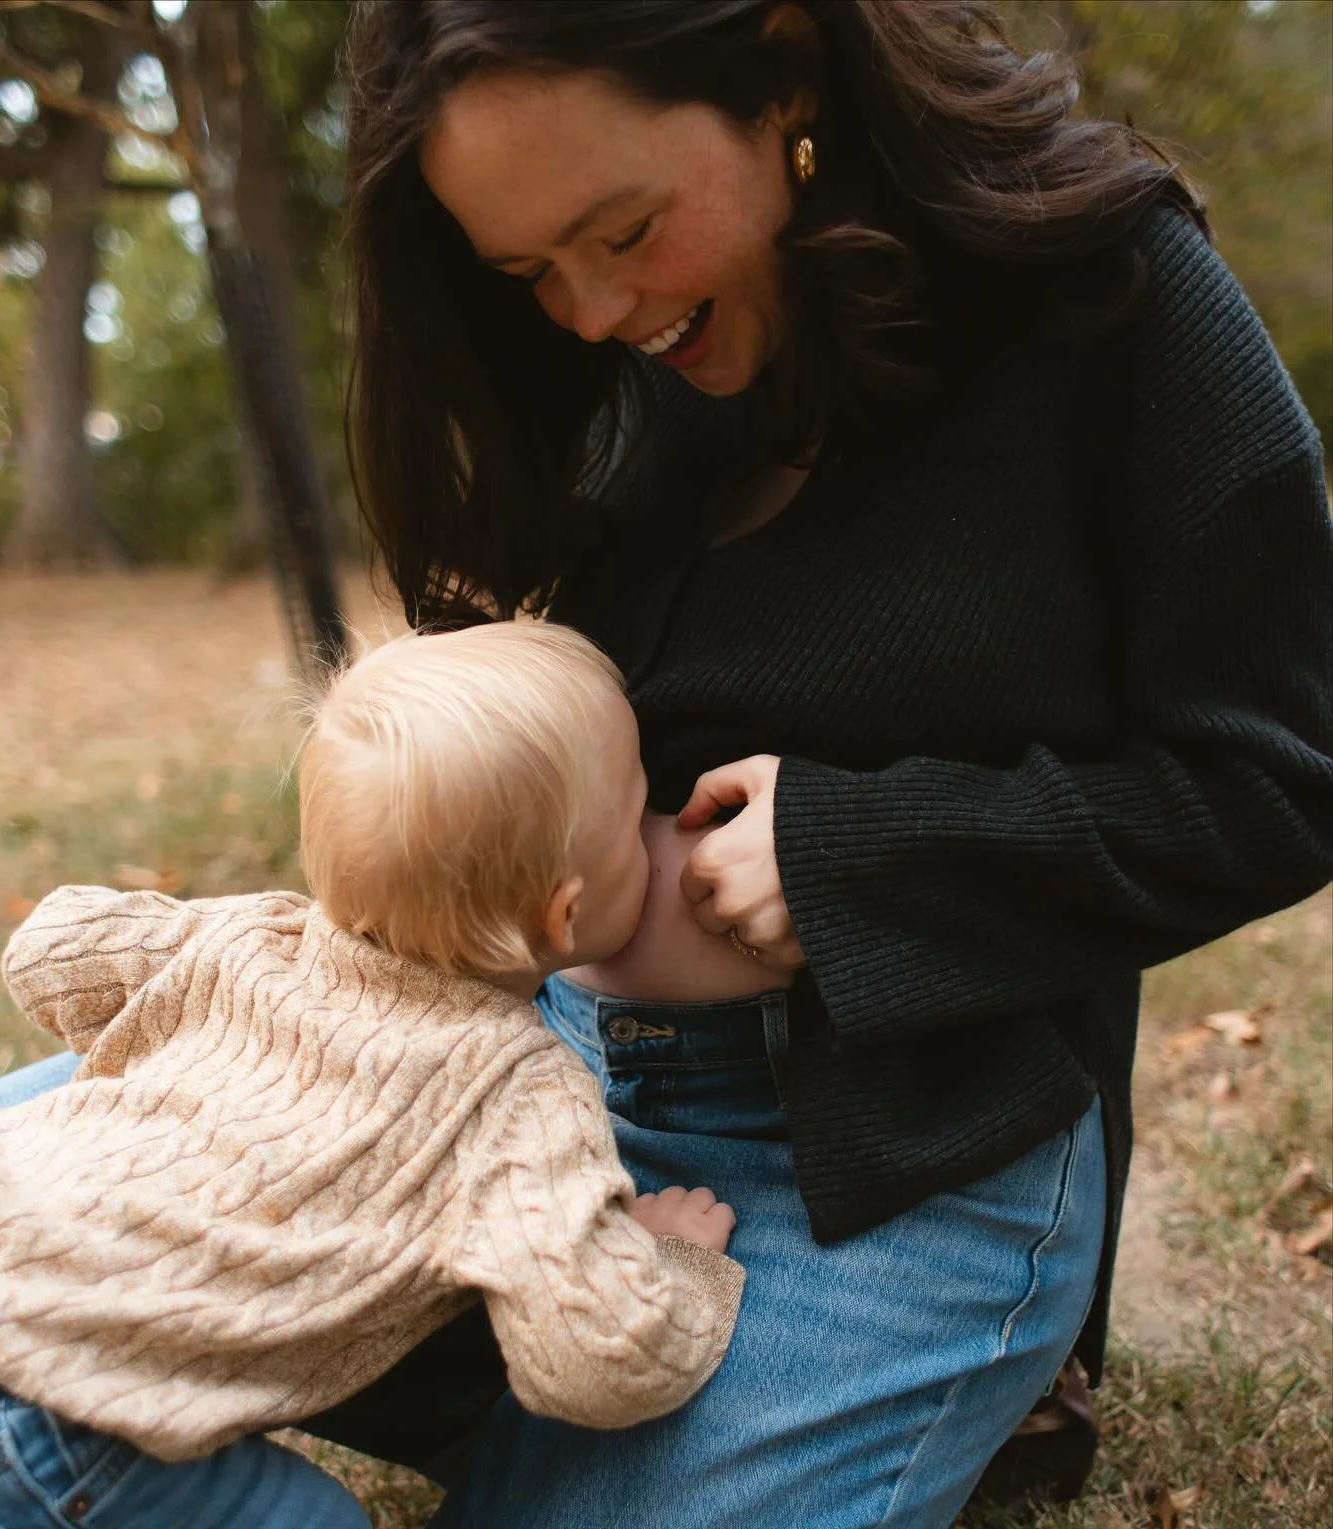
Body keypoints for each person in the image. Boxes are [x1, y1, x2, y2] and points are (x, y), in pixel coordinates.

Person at [313, 2, 1330, 1525]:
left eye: (625, 230)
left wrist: (861, 856)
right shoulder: (619, 357)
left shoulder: (1108, 299)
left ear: (783, 68)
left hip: (901, 1161)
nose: (590, 312)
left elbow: (1286, 773)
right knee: (5, 1224)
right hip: (545, 1096)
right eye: (528, 272)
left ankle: (826, 1394)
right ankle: (581, 1395)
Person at [0, 623, 745, 1529]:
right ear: (564, 911)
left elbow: (51, 947)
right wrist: (673, 1260)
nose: (659, 822)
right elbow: (601, 1356)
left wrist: (190, 1064)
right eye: (638, 808)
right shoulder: (516, 1094)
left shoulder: (251, 941)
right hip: (23, 1420)